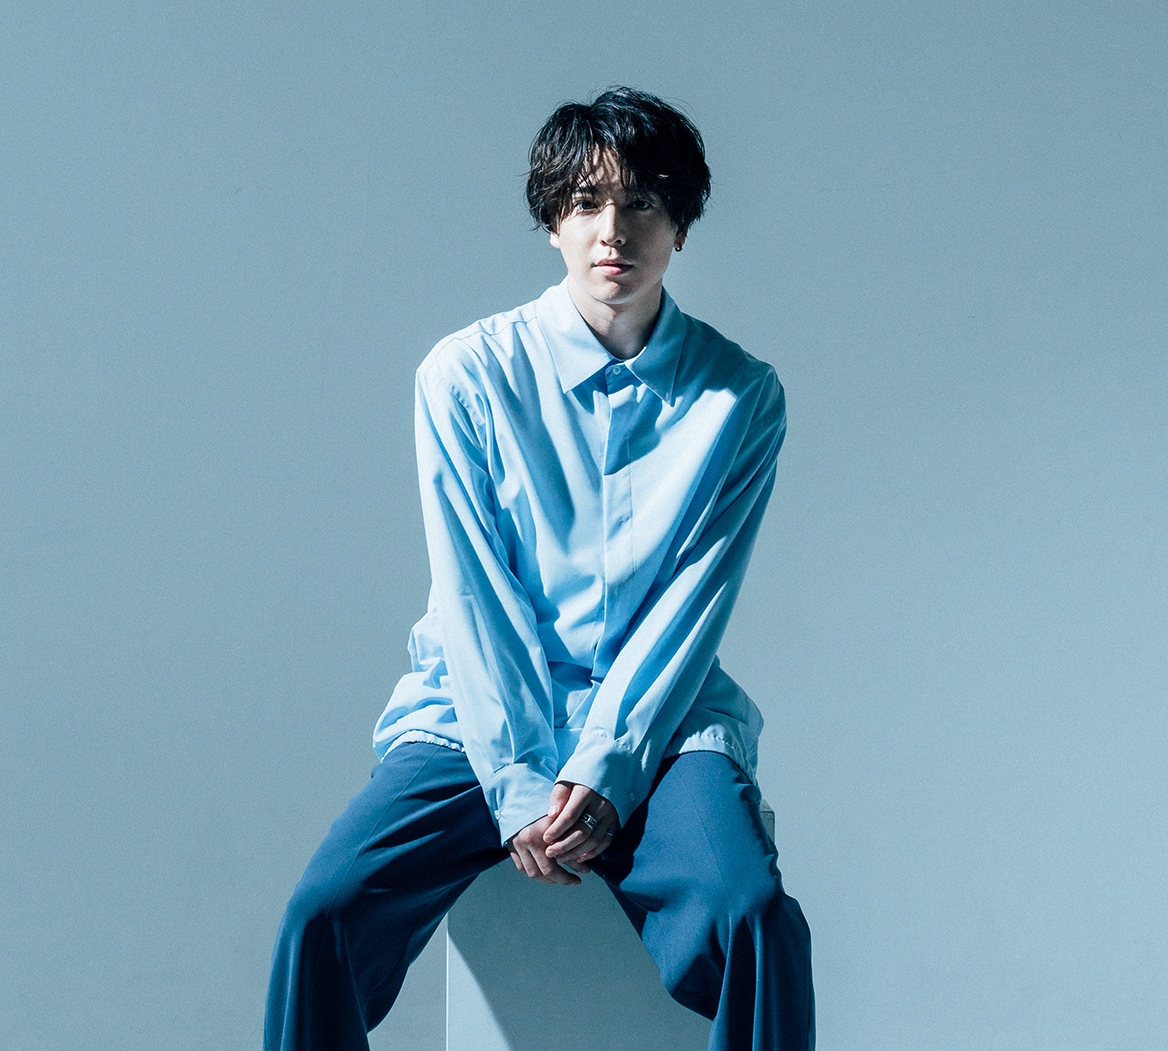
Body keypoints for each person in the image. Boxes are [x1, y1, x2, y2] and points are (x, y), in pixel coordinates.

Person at [264, 86, 814, 1051]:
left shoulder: (741, 397)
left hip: (659, 715)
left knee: (755, 916)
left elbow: (693, 604)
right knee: (324, 914)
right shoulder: (465, 374)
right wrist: (520, 781)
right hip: (475, 712)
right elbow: (475, 596)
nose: (614, 230)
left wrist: (611, 763)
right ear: (552, 221)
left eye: (644, 202)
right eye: (587, 202)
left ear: (682, 225)